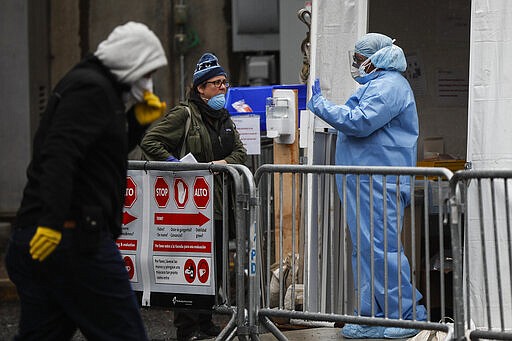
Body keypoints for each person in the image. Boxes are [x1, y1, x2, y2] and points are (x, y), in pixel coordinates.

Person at [5, 22, 168, 340]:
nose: (148, 83)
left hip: (51, 239)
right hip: (73, 239)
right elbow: (60, 155)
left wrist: (133, 125)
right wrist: (52, 222)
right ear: (131, 62)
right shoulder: (92, 89)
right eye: (146, 72)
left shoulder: (94, 87)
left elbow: (97, 160)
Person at [307, 33, 427, 339]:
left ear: (375, 60)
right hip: (365, 180)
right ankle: (372, 314)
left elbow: (360, 121)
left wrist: (322, 106)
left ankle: (406, 315)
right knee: (365, 250)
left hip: (379, 181)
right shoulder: (378, 84)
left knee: (381, 249)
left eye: (360, 60)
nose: (357, 65)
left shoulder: (389, 86)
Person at [140, 52, 247, 340]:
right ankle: (186, 328)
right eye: (216, 83)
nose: (222, 88)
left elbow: (240, 152)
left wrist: (219, 166)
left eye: (225, 83)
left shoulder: (223, 118)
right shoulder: (184, 114)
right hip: (188, 205)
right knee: (189, 264)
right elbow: (151, 141)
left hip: (218, 203)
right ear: (201, 88)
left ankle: (205, 321)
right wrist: (174, 165)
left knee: (214, 266)